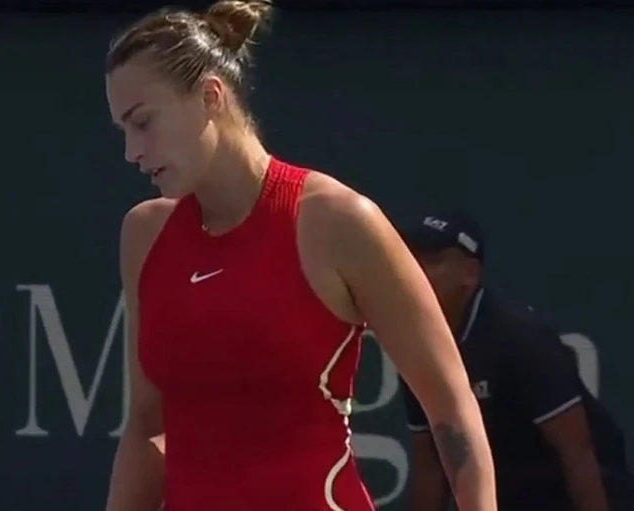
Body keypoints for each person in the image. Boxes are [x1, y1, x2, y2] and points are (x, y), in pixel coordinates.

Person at [102, 2, 497, 510]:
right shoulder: (144, 234)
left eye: (143, 122)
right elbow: (146, 427)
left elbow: (451, 408)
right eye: (124, 130)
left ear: (210, 96)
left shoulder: (338, 220)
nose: (131, 151)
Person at [399, 210, 634, 511]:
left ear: (470, 273)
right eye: (411, 260)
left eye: (434, 261)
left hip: (579, 494)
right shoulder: (414, 344)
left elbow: (577, 452)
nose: (418, 272)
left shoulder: (519, 337)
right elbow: (431, 465)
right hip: (506, 494)